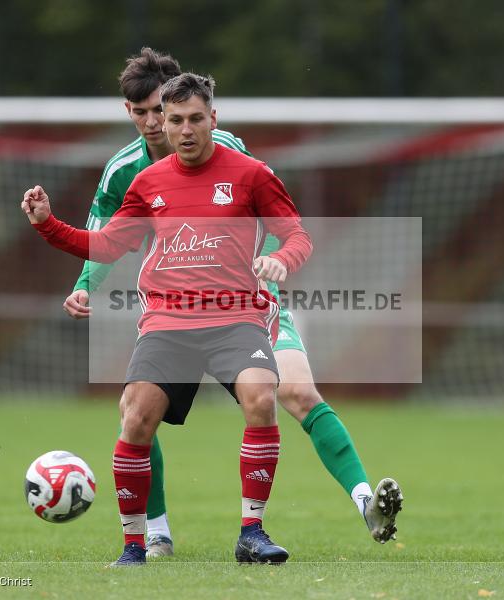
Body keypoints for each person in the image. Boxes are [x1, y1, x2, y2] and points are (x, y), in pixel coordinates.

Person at [65, 48, 402, 558]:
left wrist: (272, 264)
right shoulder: (123, 172)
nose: (156, 122)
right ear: (127, 112)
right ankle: (155, 533)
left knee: (298, 394)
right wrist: (86, 283)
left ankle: (365, 504)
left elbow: (267, 218)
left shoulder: (224, 148)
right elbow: (102, 238)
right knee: (135, 412)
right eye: (143, 113)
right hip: (176, 309)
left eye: (163, 109)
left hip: (248, 303)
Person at [24, 72, 313, 566]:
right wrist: (48, 225)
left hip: (235, 316)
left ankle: (252, 533)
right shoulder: (147, 182)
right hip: (168, 322)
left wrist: (282, 260)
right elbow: (107, 244)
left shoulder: (252, 173)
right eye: (174, 119)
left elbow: (297, 236)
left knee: (262, 397)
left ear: (213, 119)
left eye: (195, 119)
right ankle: (135, 545)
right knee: (135, 417)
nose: (183, 129)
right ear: (163, 120)